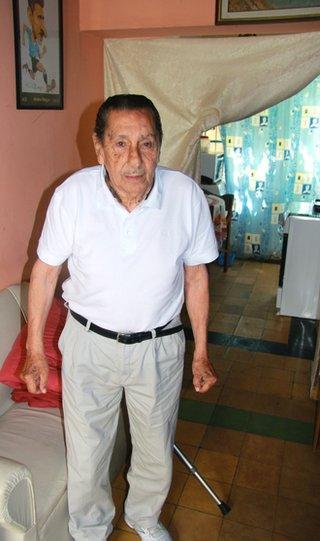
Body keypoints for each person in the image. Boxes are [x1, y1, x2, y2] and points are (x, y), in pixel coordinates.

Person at [21, 94, 218, 541]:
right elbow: (46, 271)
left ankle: (145, 521)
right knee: (88, 451)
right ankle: (90, 530)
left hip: (159, 345)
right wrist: (35, 350)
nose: (134, 159)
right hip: (89, 344)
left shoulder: (186, 196)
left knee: (155, 448)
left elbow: (196, 276)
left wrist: (201, 351)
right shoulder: (71, 195)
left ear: (160, 148)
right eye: (120, 144)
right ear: (98, 147)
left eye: (146, 144)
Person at [22, 0, 55, 93]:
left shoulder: (36, 45)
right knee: (44, 70)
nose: (40, 40)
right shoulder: (31, 35)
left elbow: (40, 55)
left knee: (32, 76)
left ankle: (26, 67)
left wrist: (44, 52)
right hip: (34, 60)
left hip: (35, 61)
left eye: (43, 18)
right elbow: (24, 26)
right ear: (30, 15)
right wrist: (23, 39)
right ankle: (48, 86)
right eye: (39, 17)